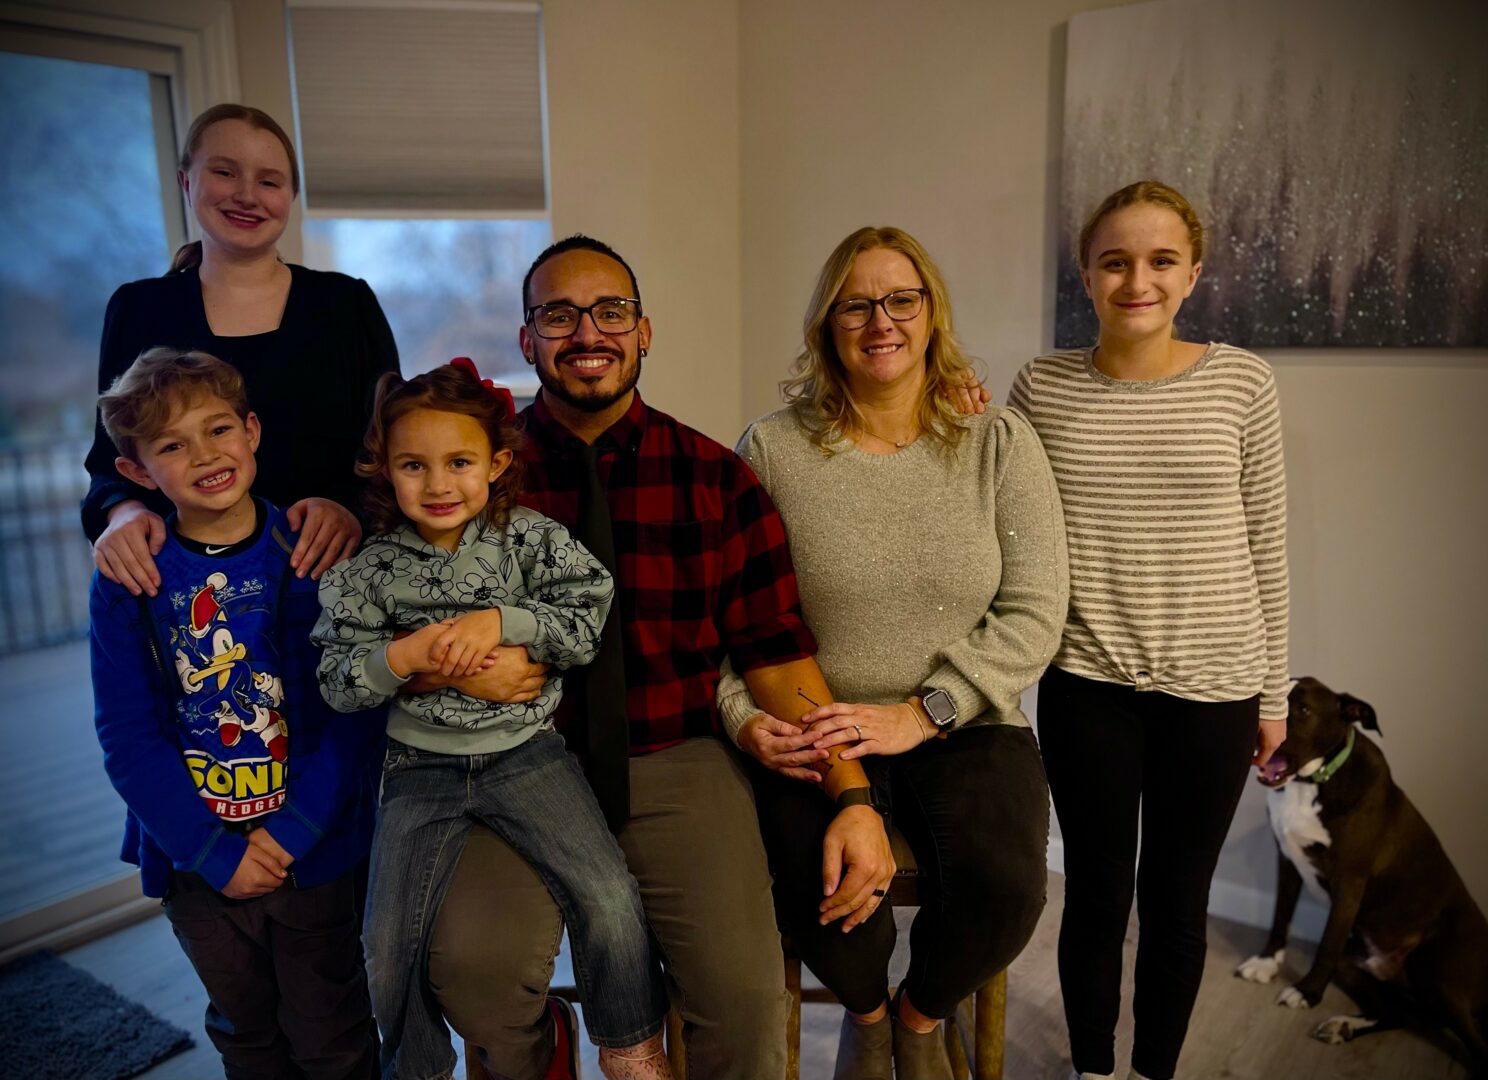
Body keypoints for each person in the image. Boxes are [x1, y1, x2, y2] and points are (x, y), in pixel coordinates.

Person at [402, 235, 896, 1080]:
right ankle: (549, 1049)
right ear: (527, 339)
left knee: (745, 1005)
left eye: (611, 312)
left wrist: (853, 794)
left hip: (677, 757)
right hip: (513, 758)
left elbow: (777, 653)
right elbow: (393, 609)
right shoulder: (470, 481)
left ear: (643, 333)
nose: (587, 332)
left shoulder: (716, 479)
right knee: (474, 976)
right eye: (559, 315)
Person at [714, 226, 1068, 1080]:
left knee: (1006, 888)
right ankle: (866, 1020)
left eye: (901, 300)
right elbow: (731, 614)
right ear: (826, 324)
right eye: (856, 305)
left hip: (963, 720)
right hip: (816, 722)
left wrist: (923, 713)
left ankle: (919, 1019)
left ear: (931, 311)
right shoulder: (773, 449)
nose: (881, 322)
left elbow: (1034, 611)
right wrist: (740, 717)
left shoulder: (997, 442)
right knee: (824, 895)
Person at [313, 359, 675, 1080]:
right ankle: (416, 1068)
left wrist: (504, 621)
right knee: (386, 941)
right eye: (414, 465)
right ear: (385, 469)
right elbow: (337, 682)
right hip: (418, 771)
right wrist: (405, 655)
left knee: (606, 891)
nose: (438, 484)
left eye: (459, 462)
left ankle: (630, 1045)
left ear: (496, 463)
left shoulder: (529, 540)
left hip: (527, 755)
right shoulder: (368, 571)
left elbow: (586, 622)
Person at [1008, 179, 1289, 1080]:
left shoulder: (1242, 381)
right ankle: (1094, 1069)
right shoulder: (1041, 385)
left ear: (1193, 273)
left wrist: (1275, 697)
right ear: (1086, 274)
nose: (1139, 281)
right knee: (1095, 894)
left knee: (1177, 902)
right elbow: (1004, 511)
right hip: (1088, 686)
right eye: (1115, 261)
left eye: (1162, 260)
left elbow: (1267, 546)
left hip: (1216, 690)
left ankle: (1153, 1072)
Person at [89, 348, 380, 1079]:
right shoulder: (130, 581)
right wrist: (215, 854)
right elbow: (126, 736)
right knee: (246, 1034)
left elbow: (352, 713)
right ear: (136, 472)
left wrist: (290, 835)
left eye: (219, 430)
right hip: (196, 862)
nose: (204, 455)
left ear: (252, 431)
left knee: (334, 1036)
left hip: (313, 851)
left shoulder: (313, 557)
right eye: (171, 446)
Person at [82, 103, 399, 593]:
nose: (247, 195)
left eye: (269, 181)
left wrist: (351, 512)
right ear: (187, 182)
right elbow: (111, 462)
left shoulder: (346, 303)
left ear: (291, 195)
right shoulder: (138, 308)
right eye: (225, 172)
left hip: (332, 584)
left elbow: (394, 447)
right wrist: (122, 513)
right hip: (186, 592)